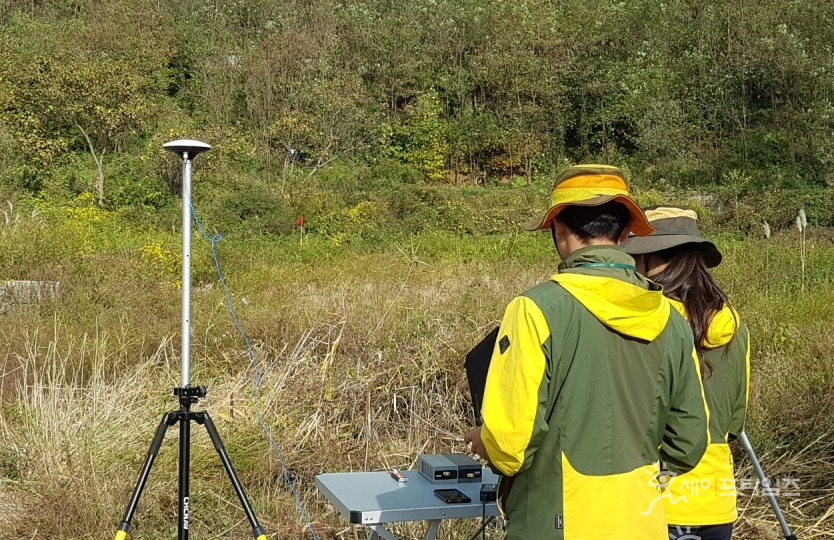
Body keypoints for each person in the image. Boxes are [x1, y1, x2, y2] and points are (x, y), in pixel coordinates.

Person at [464, 165, 710, 539]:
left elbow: (510, 445)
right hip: (642, 523)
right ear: (626, 233)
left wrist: (485, 443)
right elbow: (689, 443)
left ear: (558, 228)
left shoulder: (535, 309)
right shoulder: (672, 319)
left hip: (556, 522)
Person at [622, 206, 750, 540]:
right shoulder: (735, 324)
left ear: (651, 258)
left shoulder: (649, 321)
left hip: (656, 499)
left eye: (633, 257)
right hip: (716, 497)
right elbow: (735, 422)